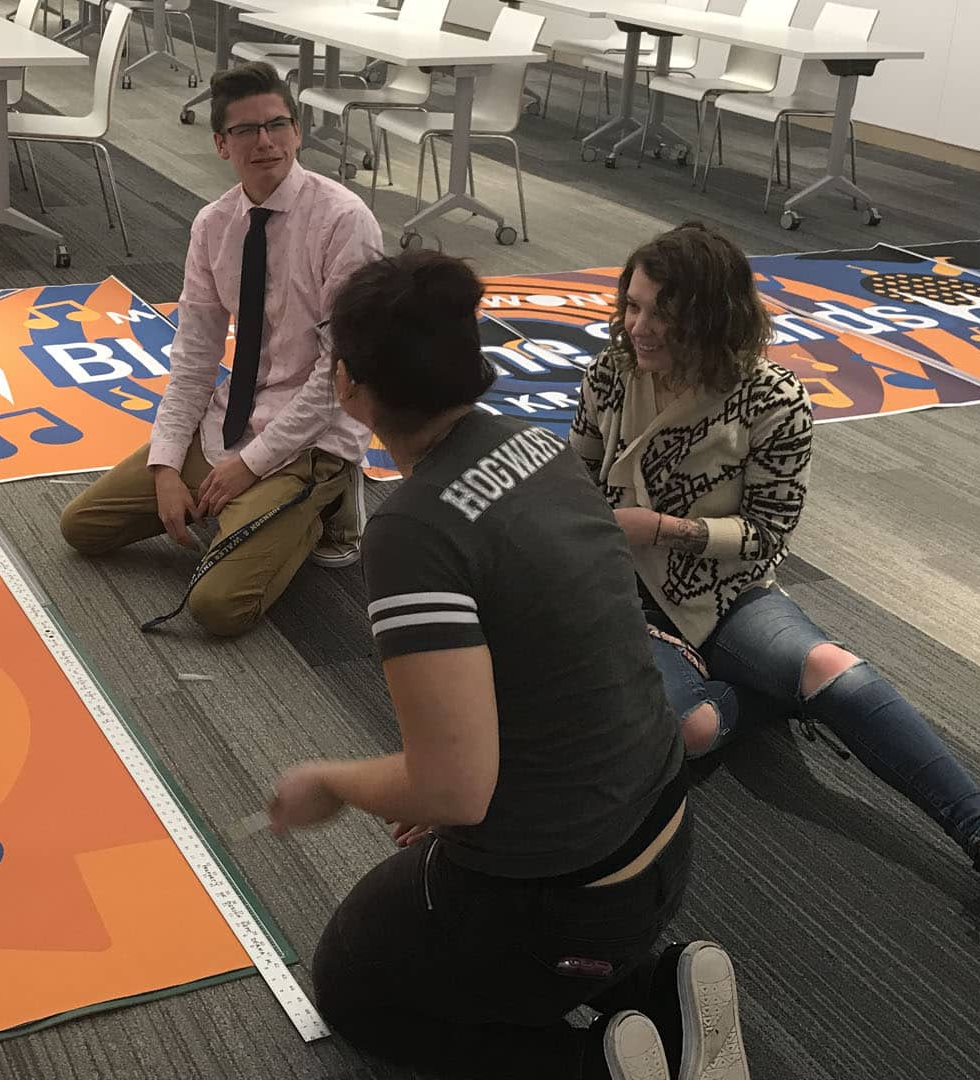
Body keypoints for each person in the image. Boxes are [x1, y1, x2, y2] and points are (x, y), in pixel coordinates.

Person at [266, 250, 751, 1080]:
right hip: (662, 835)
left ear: (349, 387)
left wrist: (335, 782)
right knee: (435, 894)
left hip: (566, 900)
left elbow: (455, 790)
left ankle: (594, 1059)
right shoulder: (537, 449)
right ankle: (663, 990)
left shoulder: (413, 531)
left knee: (352, 989)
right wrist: (452, 787)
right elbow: (554, 659)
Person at [571, 222, 980, 929]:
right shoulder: (612, 374)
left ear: (711, 318)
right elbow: (576, 476)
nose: (639, 327)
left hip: (723, 591)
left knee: (833, 667)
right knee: (692, 730)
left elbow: (767, 535)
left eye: (661, 314)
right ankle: (765, 695)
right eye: (632, 306)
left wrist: (667, 529)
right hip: (626, 597)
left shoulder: (773, 398)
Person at [58, 62, 380, 637]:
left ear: (298, 133)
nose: (265, 142)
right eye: (245, 131)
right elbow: (194, 356)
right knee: (82, 527)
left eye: (278, 125)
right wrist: (164, 467)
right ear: (219, 144)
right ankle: (244, 511)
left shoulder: (343, 221)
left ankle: (329, 499)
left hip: (312, 433)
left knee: (218, 608)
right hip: (234, 418)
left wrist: (246, 469)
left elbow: (339, 376)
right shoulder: (213, 225)